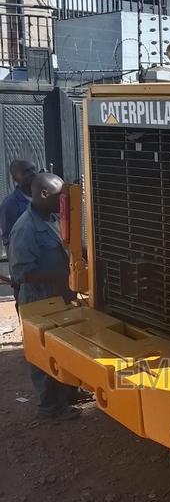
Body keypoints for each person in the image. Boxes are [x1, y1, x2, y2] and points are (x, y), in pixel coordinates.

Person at [9, 172, 80, 421]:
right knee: (44, 354)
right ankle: (50, 408)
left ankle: (69, 393)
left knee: (66, 346)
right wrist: (62, 272)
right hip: (39, 300)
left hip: (60, 296)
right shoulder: (25, 228)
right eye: (60, 196)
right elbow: (21, 273)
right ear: (43, 194)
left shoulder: (51, 218)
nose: (64, 201)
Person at [0, 160, 37, 249]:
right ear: (15, 178)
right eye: (26, 171)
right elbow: (8, 240)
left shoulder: (45, 197)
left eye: (33, 169)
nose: (33, 173)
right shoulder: (10, 205)